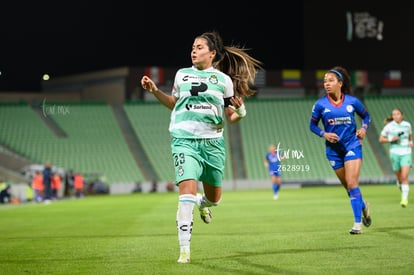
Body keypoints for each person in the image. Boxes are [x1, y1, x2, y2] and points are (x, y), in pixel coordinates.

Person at [140, 31, 262, 263]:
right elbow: (174, 104)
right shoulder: (182, 75)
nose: (193, 50)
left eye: (199, 47)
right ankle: (184, 250)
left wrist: (241, 111)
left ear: (212, 53)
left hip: (213, 144)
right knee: (185, 191)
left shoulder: (224, 81)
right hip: (183, 141)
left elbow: (230, 116)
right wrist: (155, 91)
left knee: (214, 199)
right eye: (193, 47)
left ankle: (202, 202)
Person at [309, 66, 372, 234]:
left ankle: (357, 225)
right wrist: (324, 134)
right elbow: (312, 126)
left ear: (340, 83)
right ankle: (364, 206)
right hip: (333, 152)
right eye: (324, 81)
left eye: (330, 81)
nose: (326, 84)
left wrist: (364, 128)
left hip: (352, 146)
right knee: (349, 188)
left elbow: (366, 116)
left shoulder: (352, 101)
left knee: (352, 184)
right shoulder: (320, 105)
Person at [379, 108, 413, 207]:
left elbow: (410, 135)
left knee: (405, 176)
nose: (396, 116)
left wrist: (410, 142)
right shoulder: (389, 127)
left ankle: (404, 199)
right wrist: (390, 139)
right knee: (400, 177)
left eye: (398, 114)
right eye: (394, 114)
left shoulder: (407, 125)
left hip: (406, 152)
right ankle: (399, 183)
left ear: (402, 115)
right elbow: (381, 139)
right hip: (395, 153)